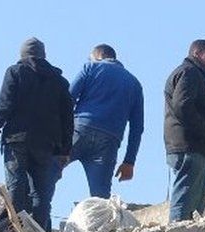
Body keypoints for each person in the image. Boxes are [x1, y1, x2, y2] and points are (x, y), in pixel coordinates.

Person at [0, 38, 73, 232]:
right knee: (42, 192)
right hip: (47, 144)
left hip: (17, 140)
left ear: (22, 54)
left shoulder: (15, 72)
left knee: (15, 187)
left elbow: (4, 105)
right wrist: (65, 149)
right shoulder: (59, 81)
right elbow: (68, 118)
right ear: (44, 54)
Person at [61, 44, 144, 199]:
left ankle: (36, 217)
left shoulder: (90, 68)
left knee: (48, 172)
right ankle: (100, 223)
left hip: (80, 129)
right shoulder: (134, 84)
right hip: (109, 141)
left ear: (97, 55)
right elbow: (137, 127)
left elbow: (67, 101)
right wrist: (129, 161)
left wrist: (58, 134)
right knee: (100, 197)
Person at [164, 39, 205, 222]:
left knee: (195, 209)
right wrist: (204, 130)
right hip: (190, 147)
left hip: (198, 148)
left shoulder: (195, 75)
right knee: (185, 202)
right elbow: (182, 106)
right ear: (197, 53)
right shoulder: (189, 73)